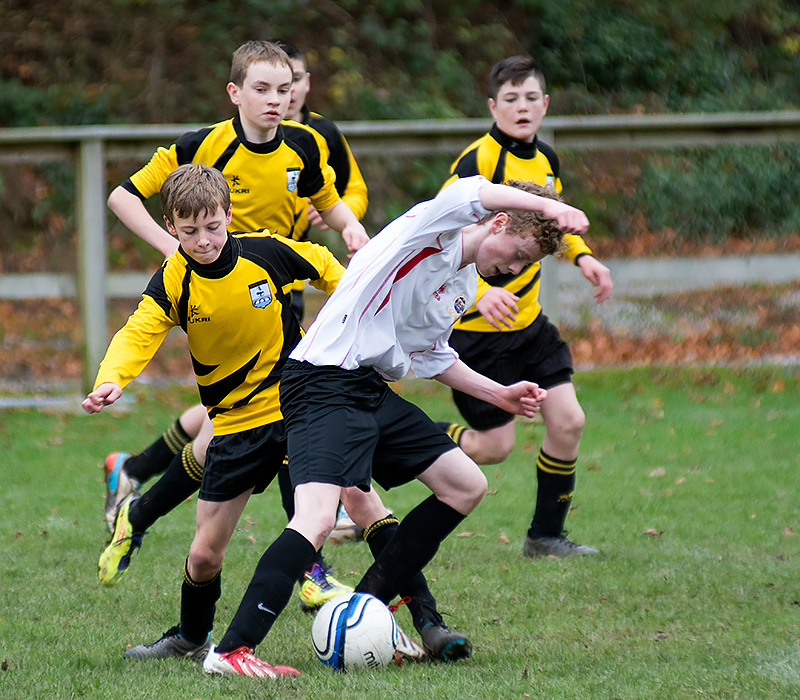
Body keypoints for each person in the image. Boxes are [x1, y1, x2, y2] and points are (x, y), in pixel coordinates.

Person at [200, 174, 590, 677]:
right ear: (498, 222)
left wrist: (499, 393)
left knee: (465, 485)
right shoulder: (434, 228)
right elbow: (474, 190)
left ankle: (365, 607)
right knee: (317, 517)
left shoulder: (463, 283)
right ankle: (231, 652)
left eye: (527, 266)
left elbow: (429, 354)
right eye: (518, 253)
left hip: (368, 389)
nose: (515, 268)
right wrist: (554, 210)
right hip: (322, 380)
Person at [97, 40, 367, 605]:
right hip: (212, 297)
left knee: (287, 423)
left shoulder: (306, 145)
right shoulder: (203, 146)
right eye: (262, 89)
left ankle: (308, 571)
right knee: (231, 423)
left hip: (280, 287)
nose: (275, 99)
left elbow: (330, 200)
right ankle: (141, 510)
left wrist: (349, 229)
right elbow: (124, 197)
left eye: (284, 88)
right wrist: (173, 248)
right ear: (235, 93)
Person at [82, 163, 348, 669]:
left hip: (298, 410)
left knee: (354, 501)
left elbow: (325, 264)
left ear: (228, 215)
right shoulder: (174, 280)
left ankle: (414, 613)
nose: (203, 241)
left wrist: (355, 313)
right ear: (170, 228)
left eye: (213, 227)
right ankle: (190, 637)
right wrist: (111, 378)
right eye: (189, 232)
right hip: (234, 426)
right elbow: (138, 332)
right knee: (204, 555)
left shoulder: (265, 252)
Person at [437, 56, 613, 558]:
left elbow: (551, 228)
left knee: (569, 420)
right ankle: (401, 438)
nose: (522, 107)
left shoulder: (547, 159)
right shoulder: (477, 162)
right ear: (493, 106)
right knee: (494, 448)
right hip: (477, 331)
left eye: (531, 97)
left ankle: (545, 537)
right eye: (510, 99)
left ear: (545, 104)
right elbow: (440, 235)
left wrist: (584, 257)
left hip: (529, 323)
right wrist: (478, 289)